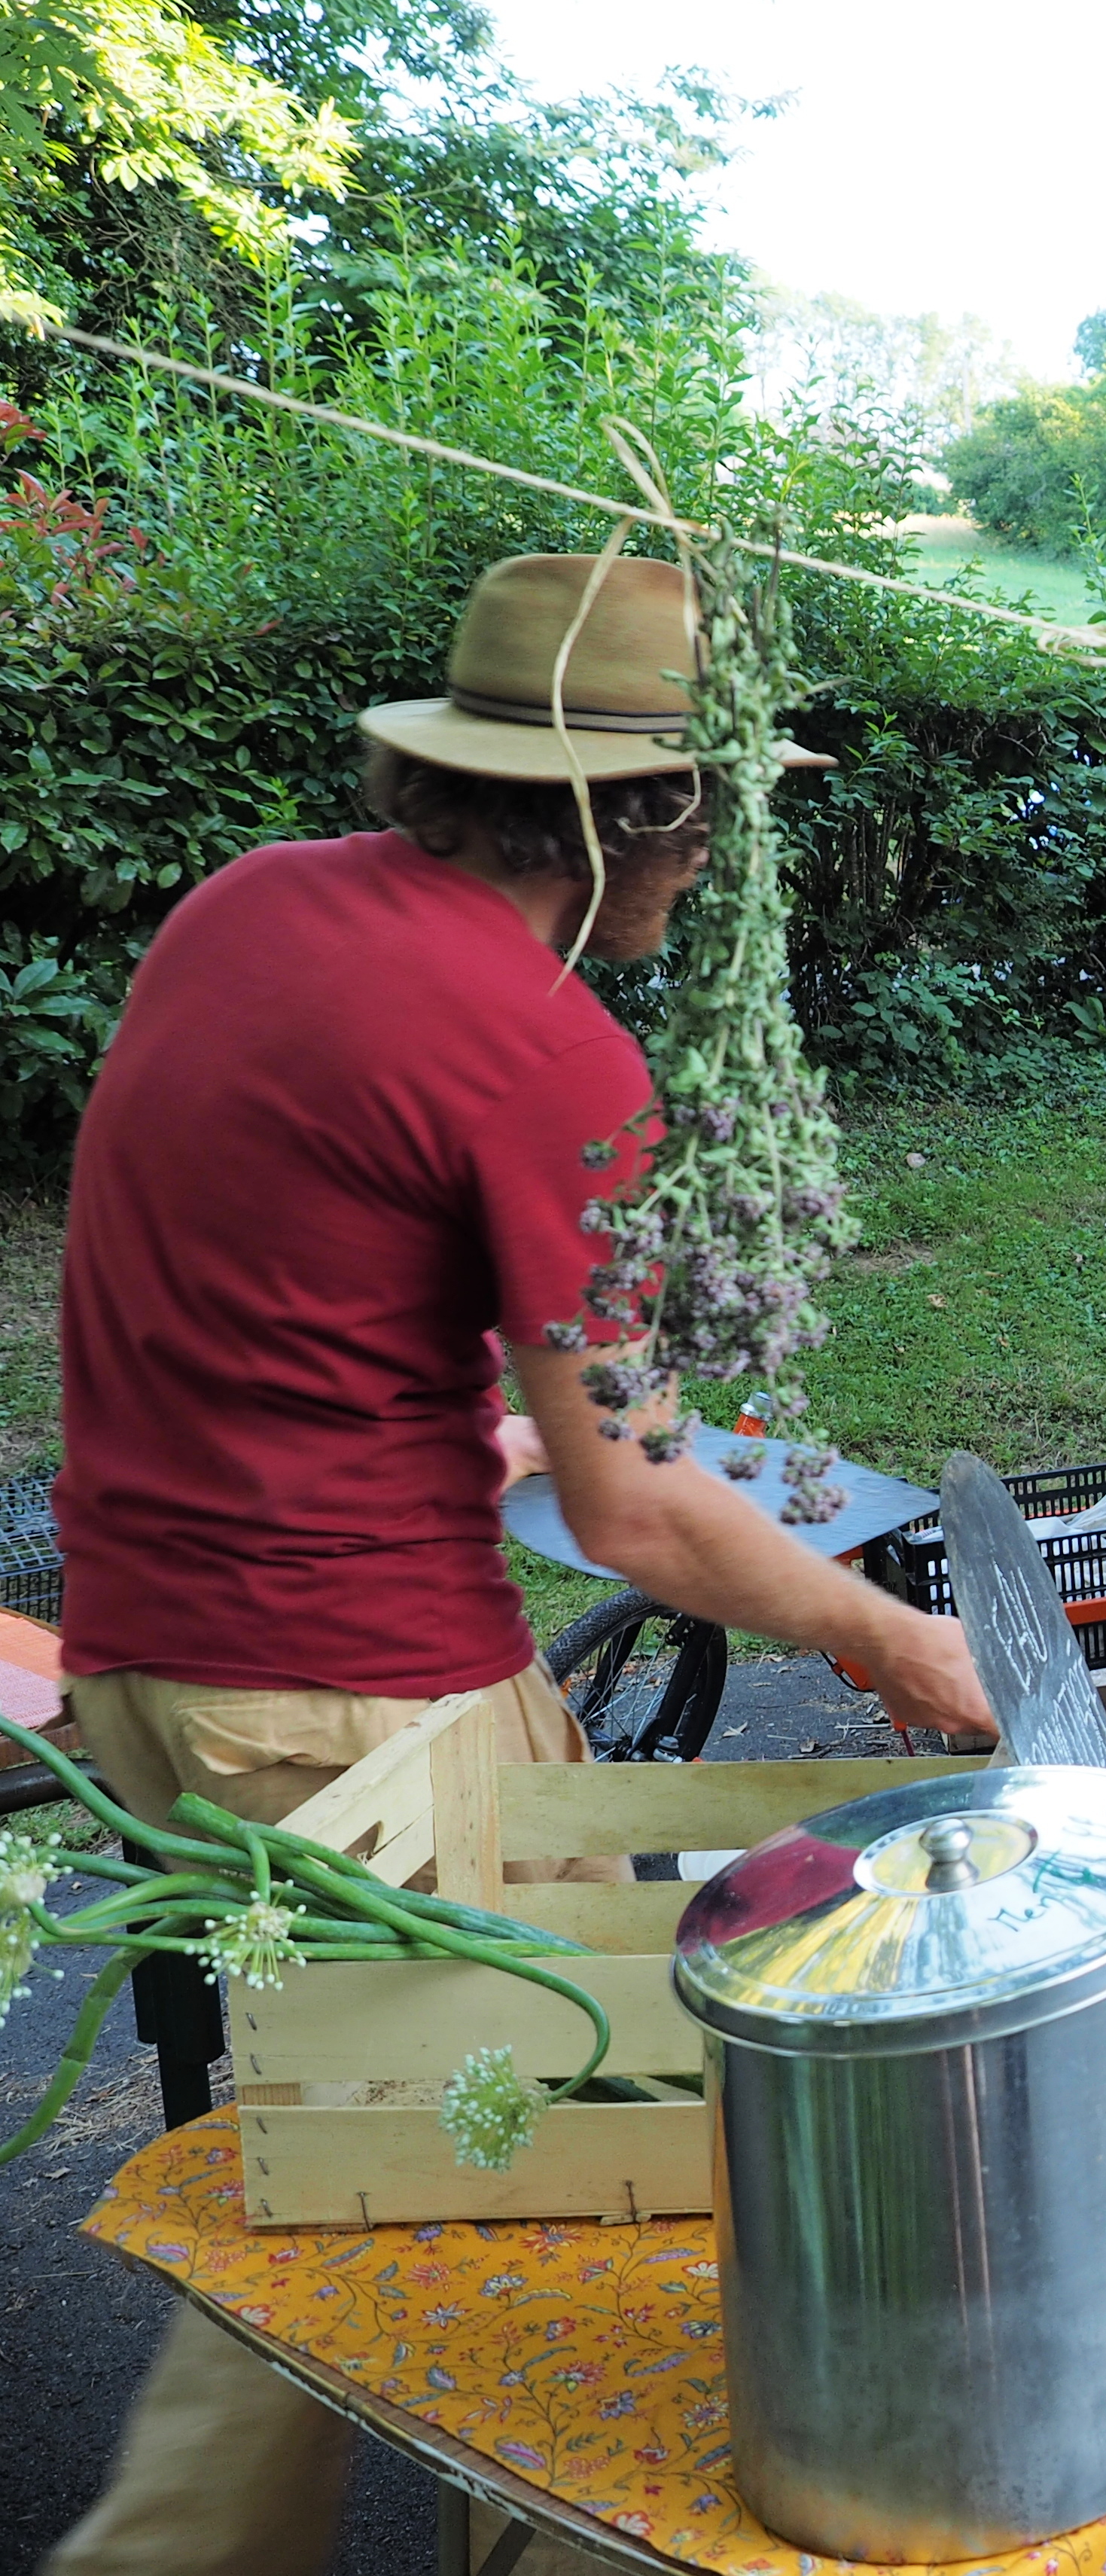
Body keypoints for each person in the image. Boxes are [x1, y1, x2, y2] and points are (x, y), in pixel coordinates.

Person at [41, 553, 995, 2576]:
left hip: (152, 1659)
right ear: (636, 813)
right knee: (515, 2166)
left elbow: (271, 1277)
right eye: (709, 802)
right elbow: (641, 1508)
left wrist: (442, 1413)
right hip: (348, 1698)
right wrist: (887, 1634)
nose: (718, 846)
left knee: (369, 2145)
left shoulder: (248, 907)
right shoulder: (543, 1051)